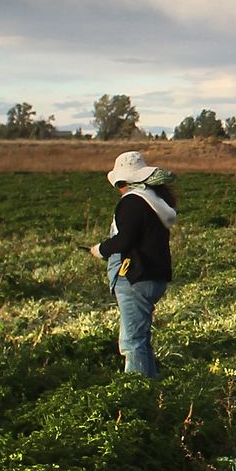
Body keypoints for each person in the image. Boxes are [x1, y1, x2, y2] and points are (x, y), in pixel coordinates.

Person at [88, 151, 177, 378]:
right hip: (155, 276)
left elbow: (125, 239)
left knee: (132, 341)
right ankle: (150, 386)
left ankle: (136, 393)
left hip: (136, 276)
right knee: (141, 337)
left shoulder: (132, 202)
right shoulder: (155, 201)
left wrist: (100, 250)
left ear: (123, 181)